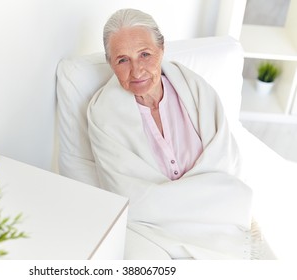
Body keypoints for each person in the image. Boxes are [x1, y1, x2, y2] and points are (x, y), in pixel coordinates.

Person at [87, 9, 261, 259]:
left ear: (162, 49)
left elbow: (225, 162)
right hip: (154, 228)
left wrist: (174, 199)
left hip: (217, 214)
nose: (136, 71)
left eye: (145, 54)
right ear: (110, 63)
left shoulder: (196, 90)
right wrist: (194, 196)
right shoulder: (101, 114)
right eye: (122, 60)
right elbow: (127, 194)